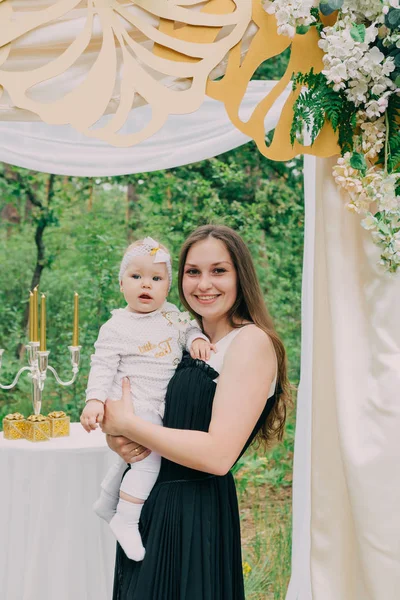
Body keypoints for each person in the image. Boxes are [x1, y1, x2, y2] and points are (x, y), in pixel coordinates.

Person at [101, 224, 291, 600]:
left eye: (219, 271)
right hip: (150, 505)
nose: (204, 284)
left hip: (194, 512)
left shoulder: (250, 342)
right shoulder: (182, 338)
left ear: (241, 276)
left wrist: (130, 426)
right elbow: (147, 407)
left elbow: (219, 455)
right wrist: (118, 436)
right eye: (193, 272)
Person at [80, 236, 213, 561]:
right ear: (121, 282)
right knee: (149, 460)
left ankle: (107, 499)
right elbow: (103, 364)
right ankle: (127, 519)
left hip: (158, 405)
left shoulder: (174, 317)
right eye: (136, 277)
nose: (146, 285)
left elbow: (190, 330)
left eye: (156, 278)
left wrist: (197, 338)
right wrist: (95, 400)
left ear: (168, 286)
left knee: (134, 456)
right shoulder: (116, 326)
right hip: (133, 403)